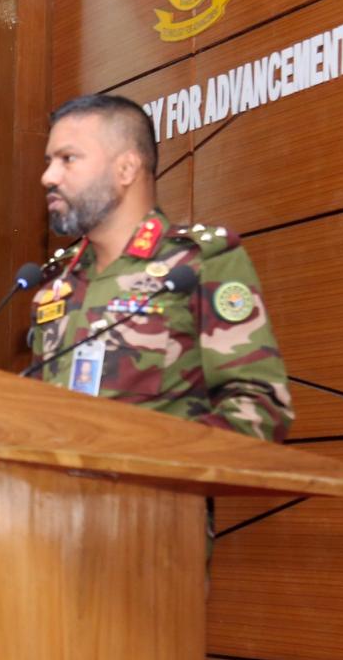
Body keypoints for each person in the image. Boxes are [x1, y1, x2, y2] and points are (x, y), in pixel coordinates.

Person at [30, 93, 293, 443]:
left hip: (159, 477)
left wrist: (148, 453)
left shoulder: (198, 262)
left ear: (126, 169)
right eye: (49, 161)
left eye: (68, 159)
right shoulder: (56, 285)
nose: (48, 177)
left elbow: (259, 408)